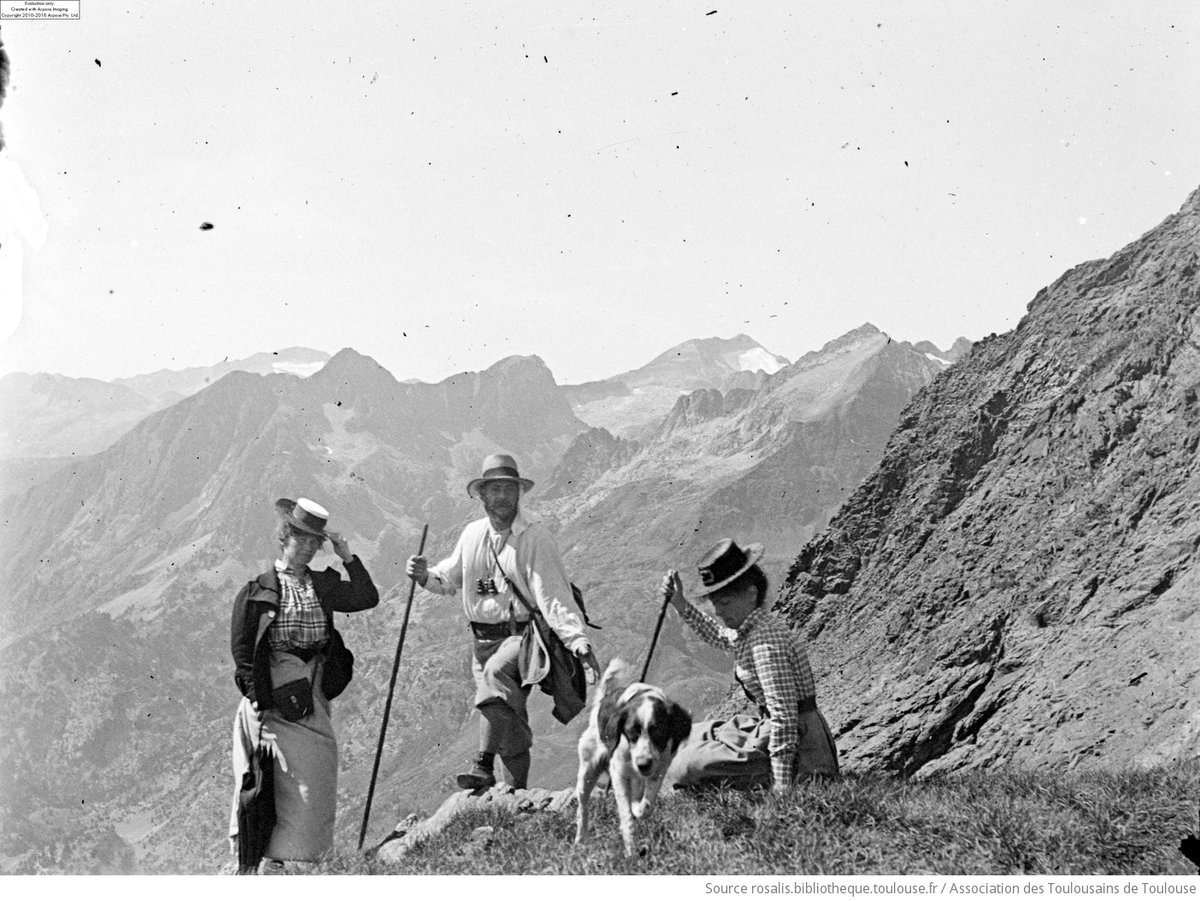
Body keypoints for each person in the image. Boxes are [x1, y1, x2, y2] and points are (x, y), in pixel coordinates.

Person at [406, 453, 600, 790]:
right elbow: (448, 579)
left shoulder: (534, 537)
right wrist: (424, 576)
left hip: (523, 639)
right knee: (507, 722)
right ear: (481, 496)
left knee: (495, 677)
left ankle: (482, 764)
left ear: (518, 494)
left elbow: (553, 594)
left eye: (507, 490)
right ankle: (513, 796)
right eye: (493, 490)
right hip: (480, 641)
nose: (500, 498)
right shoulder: (471, 534)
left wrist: (577, 641)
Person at [229, 497, 380, 873]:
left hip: (310, 692)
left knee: (315, 775)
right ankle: (270, 859)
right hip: (273, 699)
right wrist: (259, 700)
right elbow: (244, 653)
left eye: (317, 541)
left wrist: (347, 556)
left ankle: (304, 858)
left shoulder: (322, 585)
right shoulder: (257, 591)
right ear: (285, 536)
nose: (311, 547)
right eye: (304, 538)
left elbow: (366, 597)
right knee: (271, 778)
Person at [659, 538, 838, 793]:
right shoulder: (752, 628)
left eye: (725, 603)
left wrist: (782, 784)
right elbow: (720, 636)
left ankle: (760, 780)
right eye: (715, 603)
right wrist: (680, 604)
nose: (718, 612)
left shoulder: (765, 644)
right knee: (688, 735)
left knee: (685, 766)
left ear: (751, 594)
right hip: (781, 732)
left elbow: (784, 717)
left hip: (803, 751)